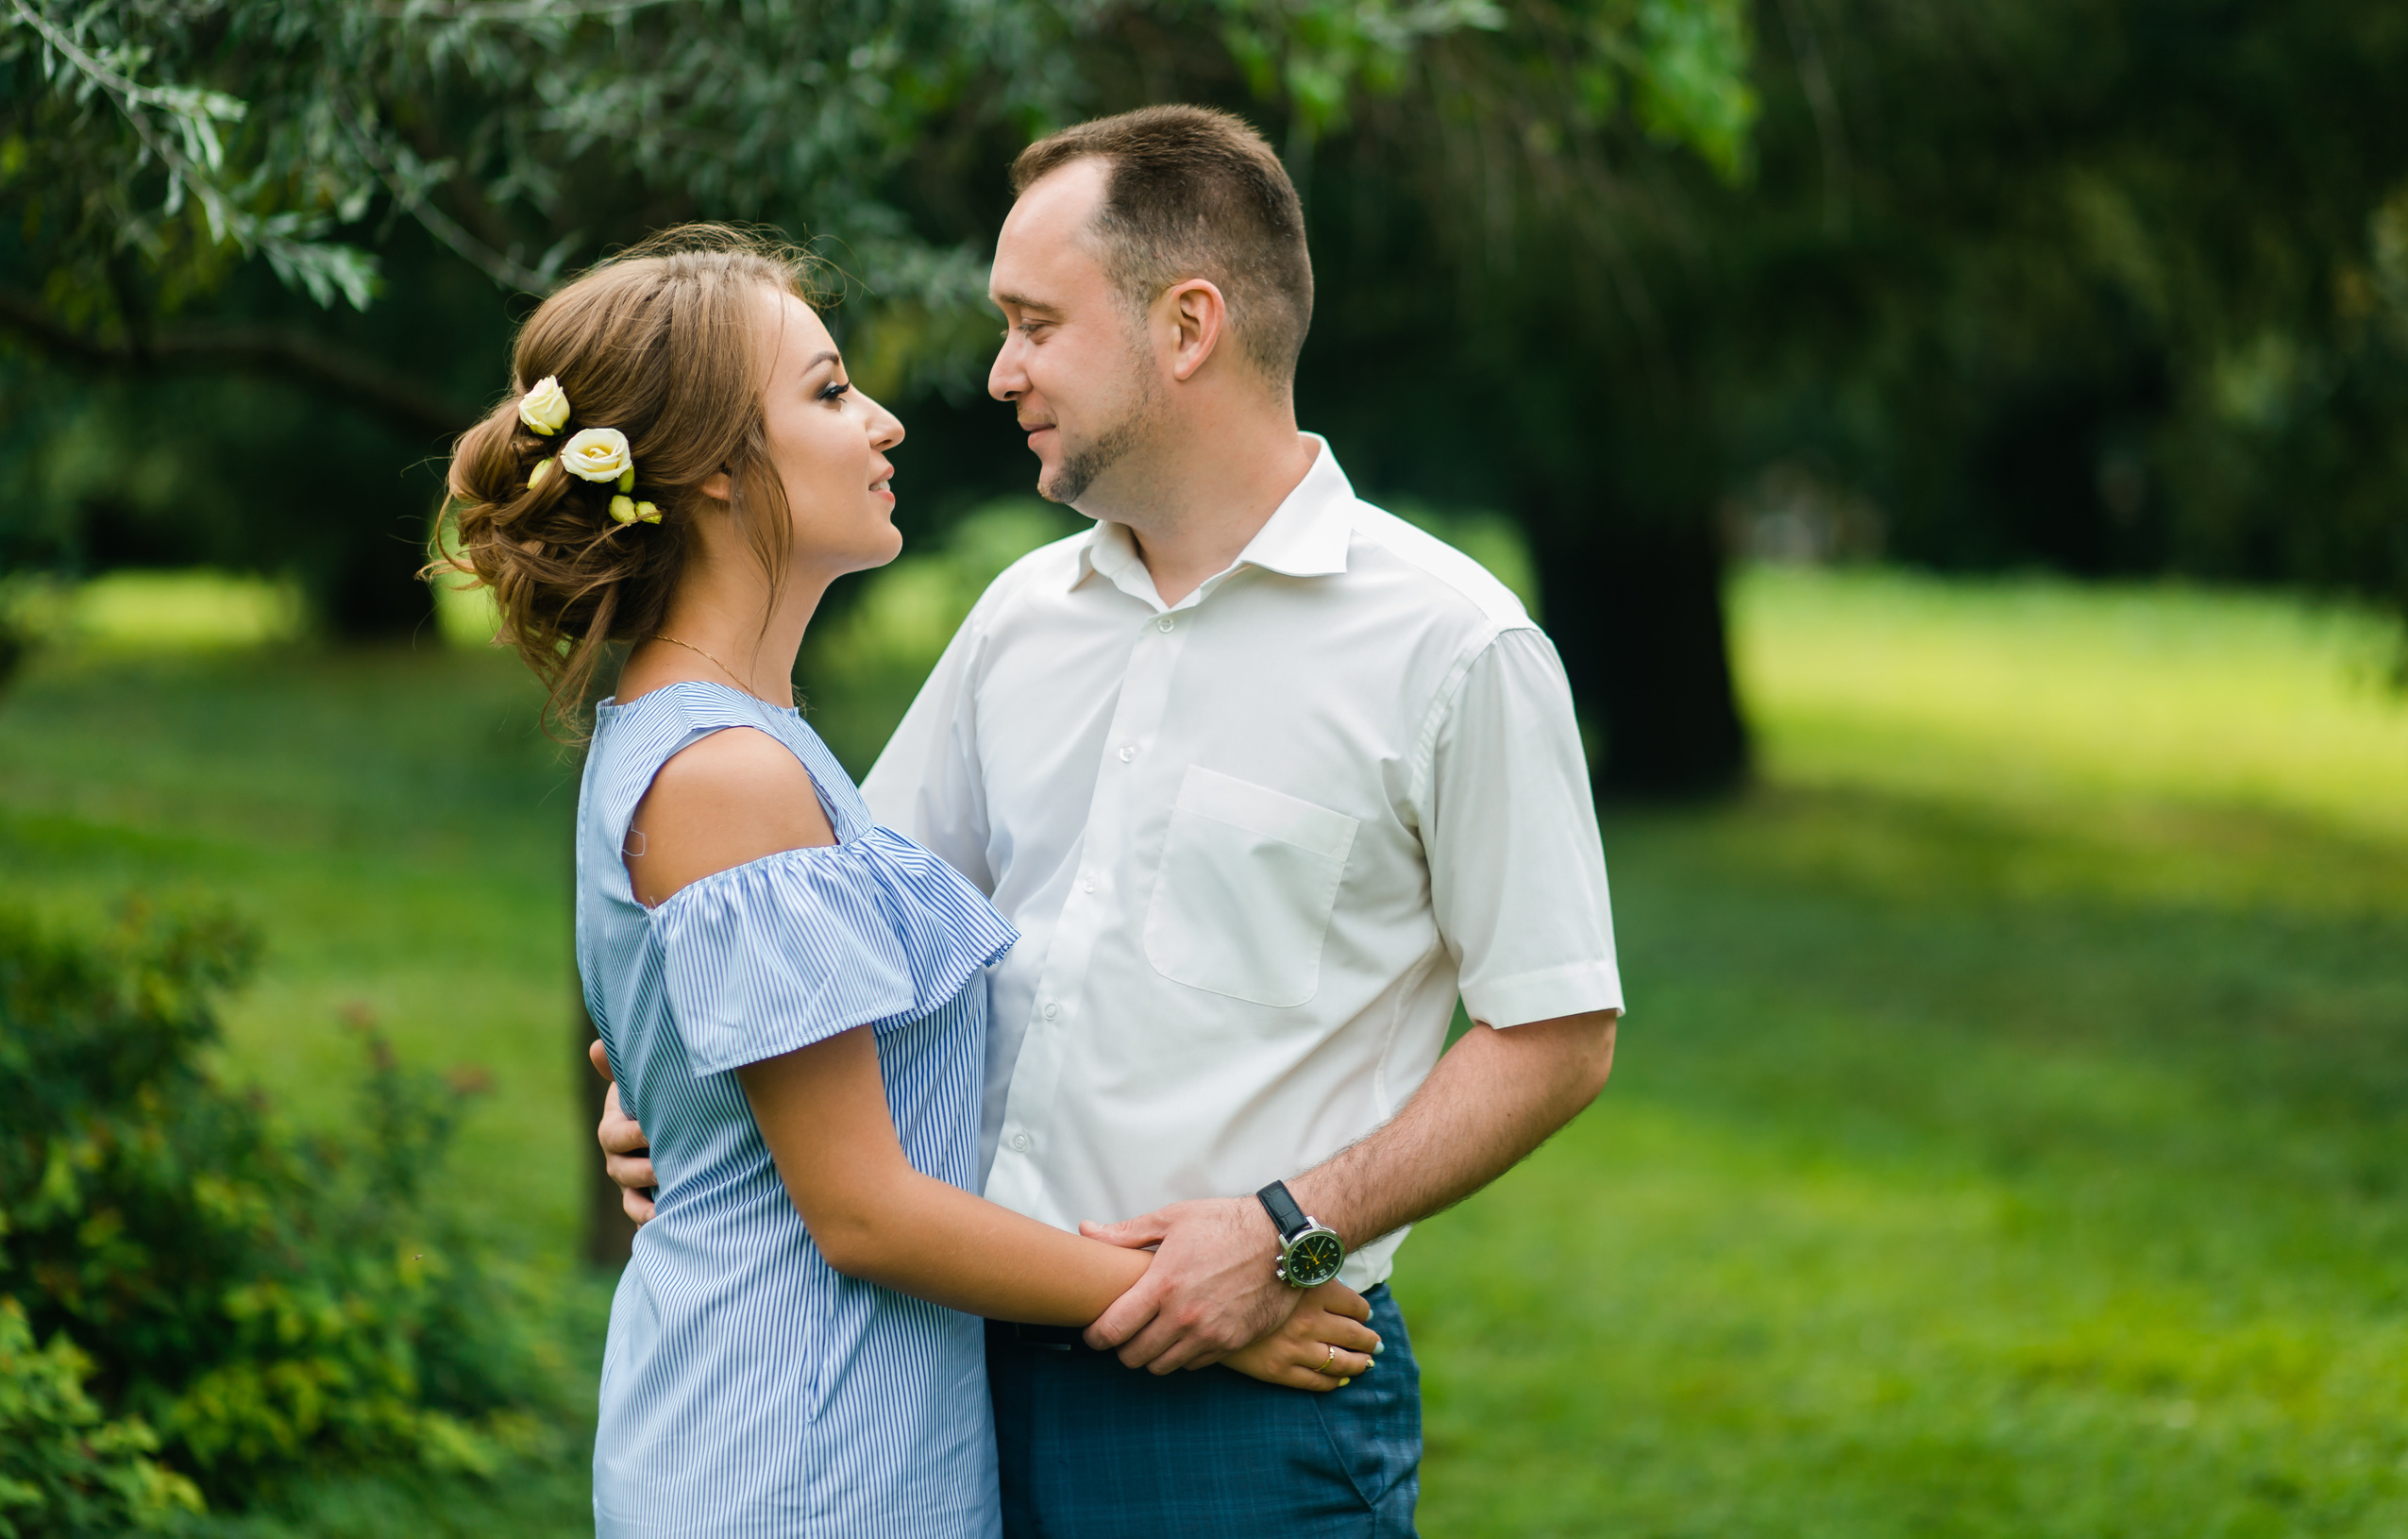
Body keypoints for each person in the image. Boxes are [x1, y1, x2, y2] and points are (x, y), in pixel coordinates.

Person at [601, 109, 1625, 1535]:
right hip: (936, 1369)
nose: (1000, 370)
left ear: (1187, 325)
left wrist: (1286, 1232)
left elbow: (1560, 1032)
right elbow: (819, 934)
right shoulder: (1020, 621)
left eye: (1034, 323)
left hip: (1243, 1401)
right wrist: (684, 1092)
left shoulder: (1453, 648)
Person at [441, 226, 1383, 1539]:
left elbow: (758, 1077)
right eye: (828, 393)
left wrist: (675, 1111)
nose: (882, 422)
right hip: (794, 1459)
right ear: (715, 469)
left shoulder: (749, 743)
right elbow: (866, 1214)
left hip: (840, 1435)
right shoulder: (728, 772)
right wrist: (1196, 1303)